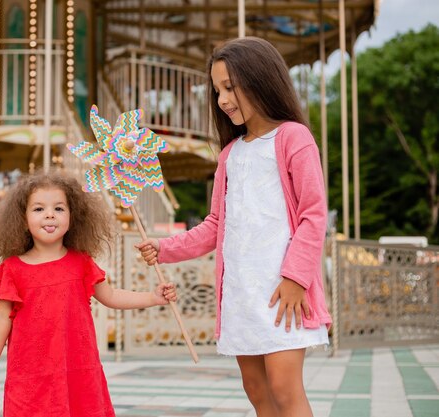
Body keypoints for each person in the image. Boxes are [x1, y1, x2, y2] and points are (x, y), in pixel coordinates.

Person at [136, 37, 331, 417]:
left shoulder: (294, 138)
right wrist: (165, 248)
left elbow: (313, 214)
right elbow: (215, 225)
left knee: (284, 387)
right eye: (217, 90)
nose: (223, 99)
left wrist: (295, 278)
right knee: (256, 389)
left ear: (260, 80)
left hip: (282, 291)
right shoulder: (230, 154)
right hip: (242, 291)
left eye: (230, 87)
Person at [0, 172, 177, 417]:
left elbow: (111, 296)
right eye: (39, 209)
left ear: (73, 217)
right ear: (23, 219)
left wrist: (152, 297)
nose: (50, 214)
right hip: (31, 374)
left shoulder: (81, 262)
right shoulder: (12, 269)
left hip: (78, 369)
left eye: (59, 208)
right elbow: (2, 318)